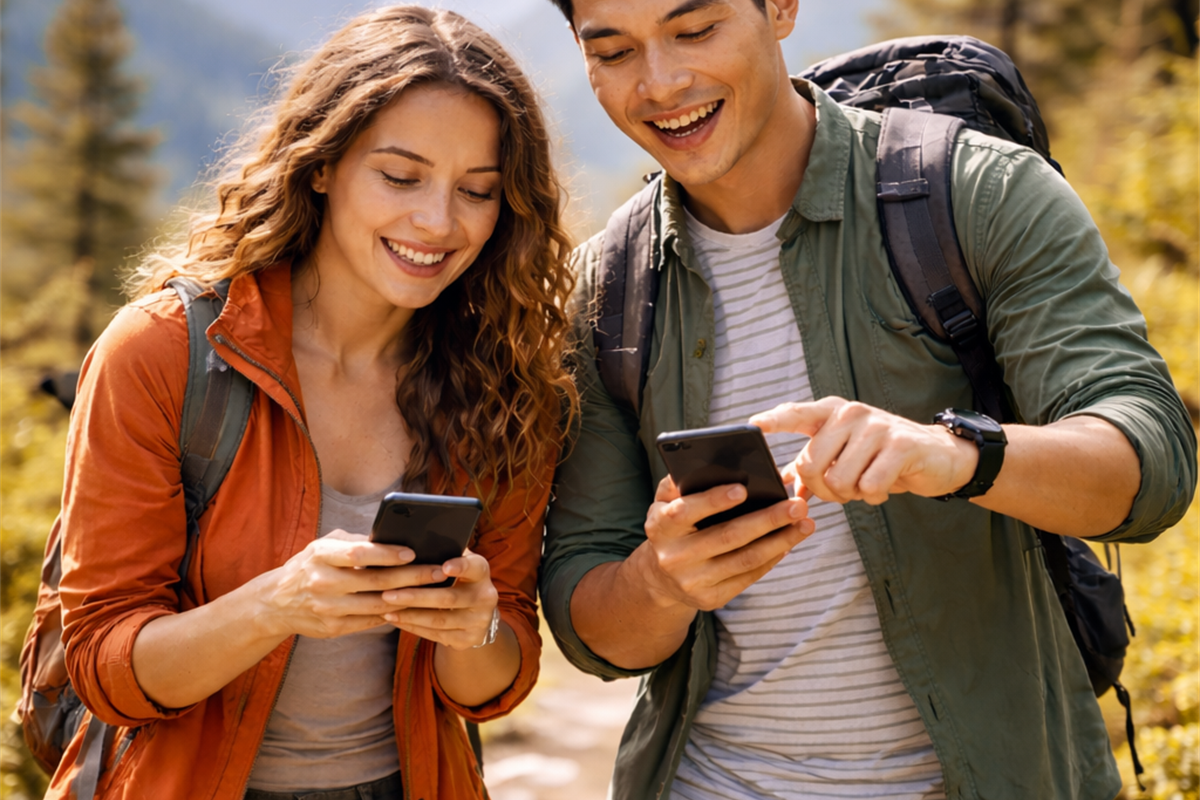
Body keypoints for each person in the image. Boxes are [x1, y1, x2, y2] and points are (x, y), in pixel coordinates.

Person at [538, 1, 1197, 799]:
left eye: (695, 30)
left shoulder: (974, 193)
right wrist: (661, 583)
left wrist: (956, 455)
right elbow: (585, 610)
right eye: (613, 52)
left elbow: (1150, 457)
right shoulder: (603, 291)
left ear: (780, 8)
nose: (661, 82)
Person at [49, 7, 577, 800]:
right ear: (322, 164)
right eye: (400, 177)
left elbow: (493, 685)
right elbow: (101, 667)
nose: (437, 222)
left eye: (478, 191)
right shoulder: (162, 353)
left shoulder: (503, 383)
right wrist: (274, 605)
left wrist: (475, 629)